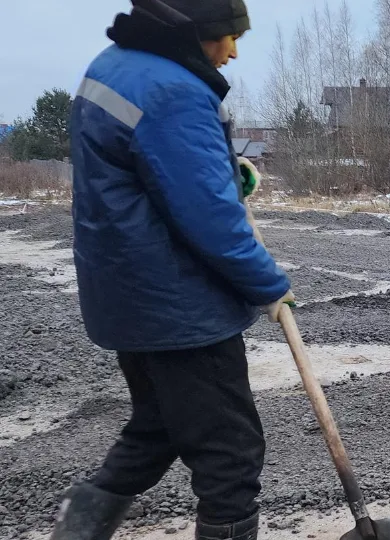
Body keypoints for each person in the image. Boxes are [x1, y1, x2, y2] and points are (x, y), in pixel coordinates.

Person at [52, 1, 293, 539]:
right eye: (224, 37)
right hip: (180, 308)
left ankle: (77, 529)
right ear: (189, 34)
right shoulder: (174, 91)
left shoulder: (113, 67)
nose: (232, 51)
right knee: (229, 453)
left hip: (127, 295)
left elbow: (150, 170)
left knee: (159, 423)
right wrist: (271, 286)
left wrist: (229, 171)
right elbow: (211, 219)